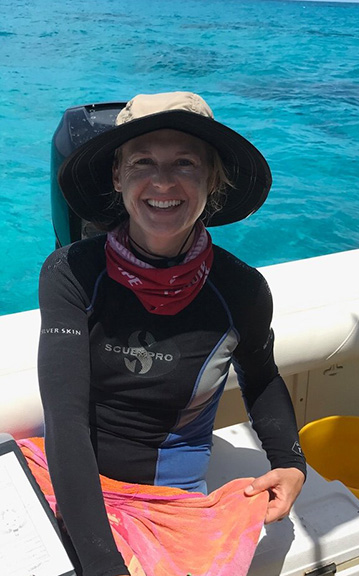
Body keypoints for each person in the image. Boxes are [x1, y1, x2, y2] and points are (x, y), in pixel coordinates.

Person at [37, 92, 306, 576]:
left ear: (213, 179)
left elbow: (261, 378)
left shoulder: (241, 289)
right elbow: (64, 419)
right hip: (71, 477)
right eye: (142, 162)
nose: (162, 181)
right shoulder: (71, 272)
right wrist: (103, 562)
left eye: (185, 162)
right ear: (117, 177)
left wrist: (290, 461)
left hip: (173, 501)